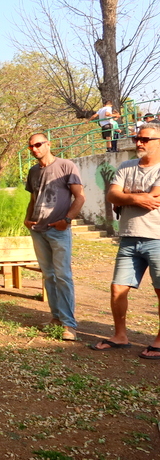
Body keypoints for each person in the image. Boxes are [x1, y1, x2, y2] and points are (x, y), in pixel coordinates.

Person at [90, 122, 160, 357]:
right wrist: (137, 198)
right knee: (117, 289)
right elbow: (112, 194)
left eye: (145, 139)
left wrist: (125, 195)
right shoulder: (126, 166)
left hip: (157, 238)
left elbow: (153, 196)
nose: (139, 143)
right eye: (137, 138)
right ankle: (120, 336)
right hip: (129, 236)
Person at [23, 134, 85, 342]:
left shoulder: (66, 166)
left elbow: (80, 196)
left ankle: (69, 324)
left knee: (63, 276)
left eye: (38, 144)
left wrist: (66, 220)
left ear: (48, 144)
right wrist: (27, 218)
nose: (34, 149)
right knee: (48, 275)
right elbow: (33, 197)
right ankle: (56, 318)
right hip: (38, 229)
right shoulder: (33, 171)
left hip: (58, 230)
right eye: (31, 146)